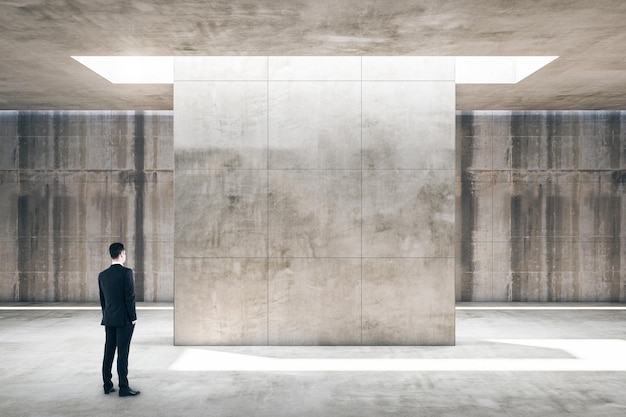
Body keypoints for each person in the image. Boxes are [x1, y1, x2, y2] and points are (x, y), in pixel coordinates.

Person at [98, 242, 140, 397]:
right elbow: (130, 297)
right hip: (124, 320)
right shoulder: (126, 273)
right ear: (122, 254)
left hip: (109, 319)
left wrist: (107, 315)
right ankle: (123, 387)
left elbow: (103, 300)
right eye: (125, 253)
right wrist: (133, 317)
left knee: (108, 352)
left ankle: (107, 385)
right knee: (123, 353)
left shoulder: (102, 275)